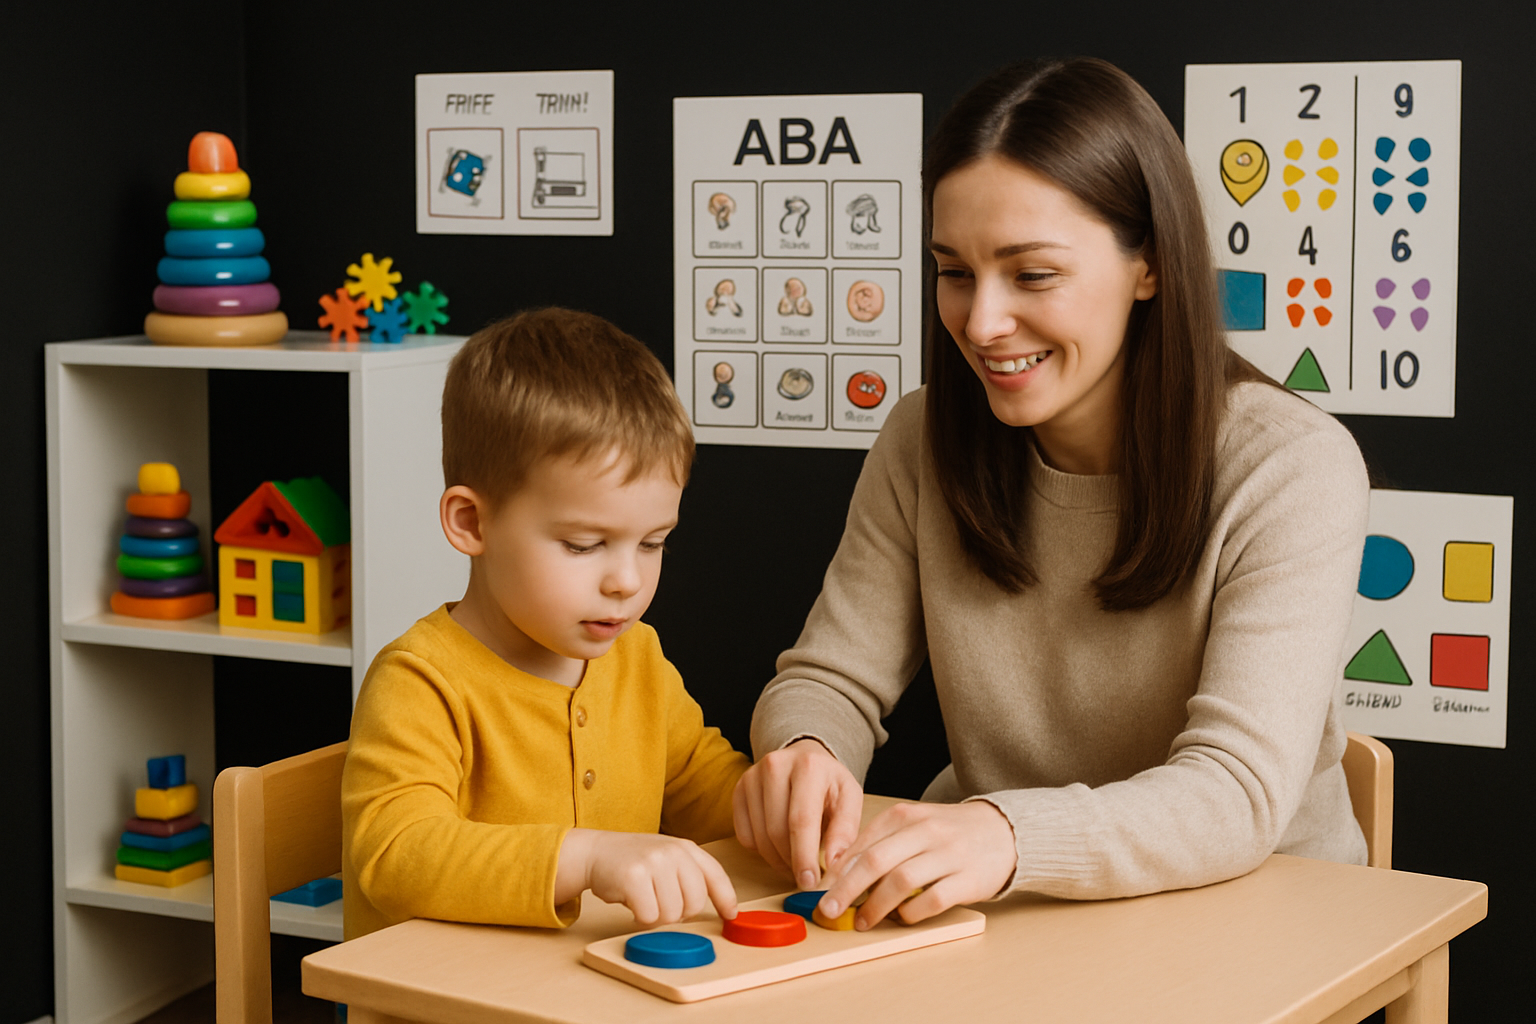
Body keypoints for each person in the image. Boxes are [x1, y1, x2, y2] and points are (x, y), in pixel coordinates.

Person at [735, 57, 1371, 931]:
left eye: (1032, 275)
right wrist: (805, 750)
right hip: (1014, 912)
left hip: (1261, 916)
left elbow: (1233, 795)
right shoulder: (922, 441)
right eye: (954, 271)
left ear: (1148, 264)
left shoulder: (1294, 465)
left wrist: (1002, 834)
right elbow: (826, 682)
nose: (982, 322)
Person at [342, 308, 750, 939]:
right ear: (472, 524)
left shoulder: (636, 657)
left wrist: (772, 805)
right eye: (584, 545)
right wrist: (584, 857)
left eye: (652, 543)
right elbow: (395, 855)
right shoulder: (420, 680)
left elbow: (701, 783)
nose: (627, 581)